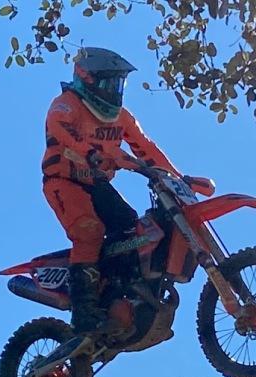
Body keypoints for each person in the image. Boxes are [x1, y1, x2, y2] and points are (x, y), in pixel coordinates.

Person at [41, 47, 182, 337]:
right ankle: (84, 314)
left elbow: (145, 146)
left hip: (96, 185)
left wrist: (176, 178)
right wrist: (90, 153)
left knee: (133, 229)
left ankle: (119, 292)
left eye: (119, 84)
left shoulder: (121, 117)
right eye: (108, 82)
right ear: (86, 78)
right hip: (63, 181)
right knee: (89, 231)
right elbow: (61, 131)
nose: (114, 90)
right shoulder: (66, 104)